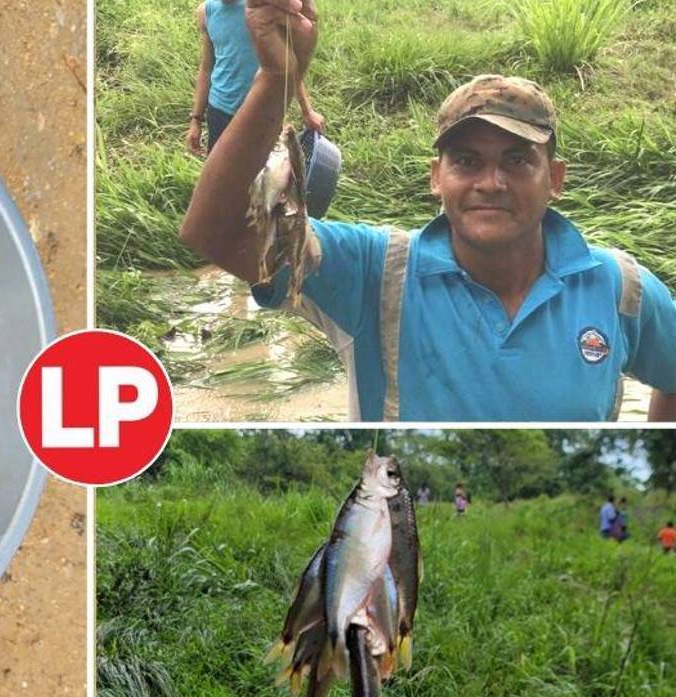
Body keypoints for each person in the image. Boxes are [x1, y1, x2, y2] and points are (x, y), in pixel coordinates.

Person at [178, 0, 676, 421]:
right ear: (436, 178)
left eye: (518, 160)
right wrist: (275, 80)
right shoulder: (376, 275)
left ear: (556, 179)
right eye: (466, 161)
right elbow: (214, 235)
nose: (491, 182)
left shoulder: (620, 288)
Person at [186, 0, 324, 156]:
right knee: (224, 171)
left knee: (268, 173)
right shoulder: (206, 11)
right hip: (219, 111)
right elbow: (206, 67)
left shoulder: (263, 10)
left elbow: (287, 66)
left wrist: (307, 111)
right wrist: (196, 120)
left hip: (262, 110)